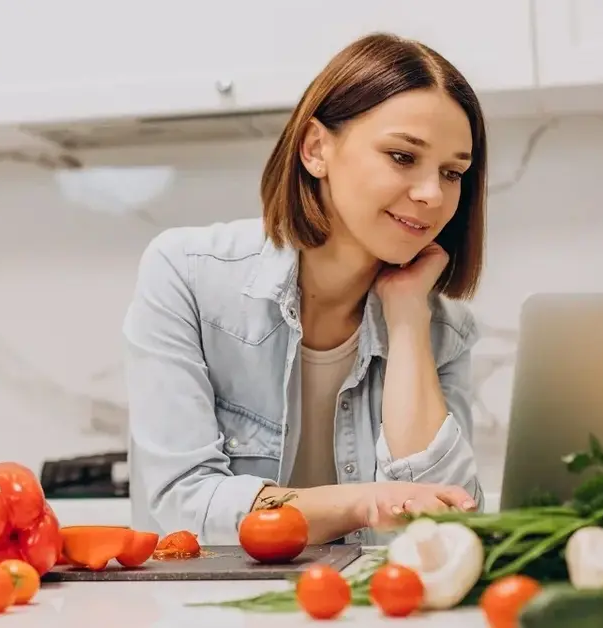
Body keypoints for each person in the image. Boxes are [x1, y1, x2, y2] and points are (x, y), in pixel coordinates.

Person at [123, 32, 488, 546]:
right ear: (316, 149)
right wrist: (366, 502)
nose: (433, 194)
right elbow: (184, 501)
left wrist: (406, 317)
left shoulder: (443, 330)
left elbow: (443, 523)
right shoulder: (187, 274)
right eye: (403, 157)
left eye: (453, 172)